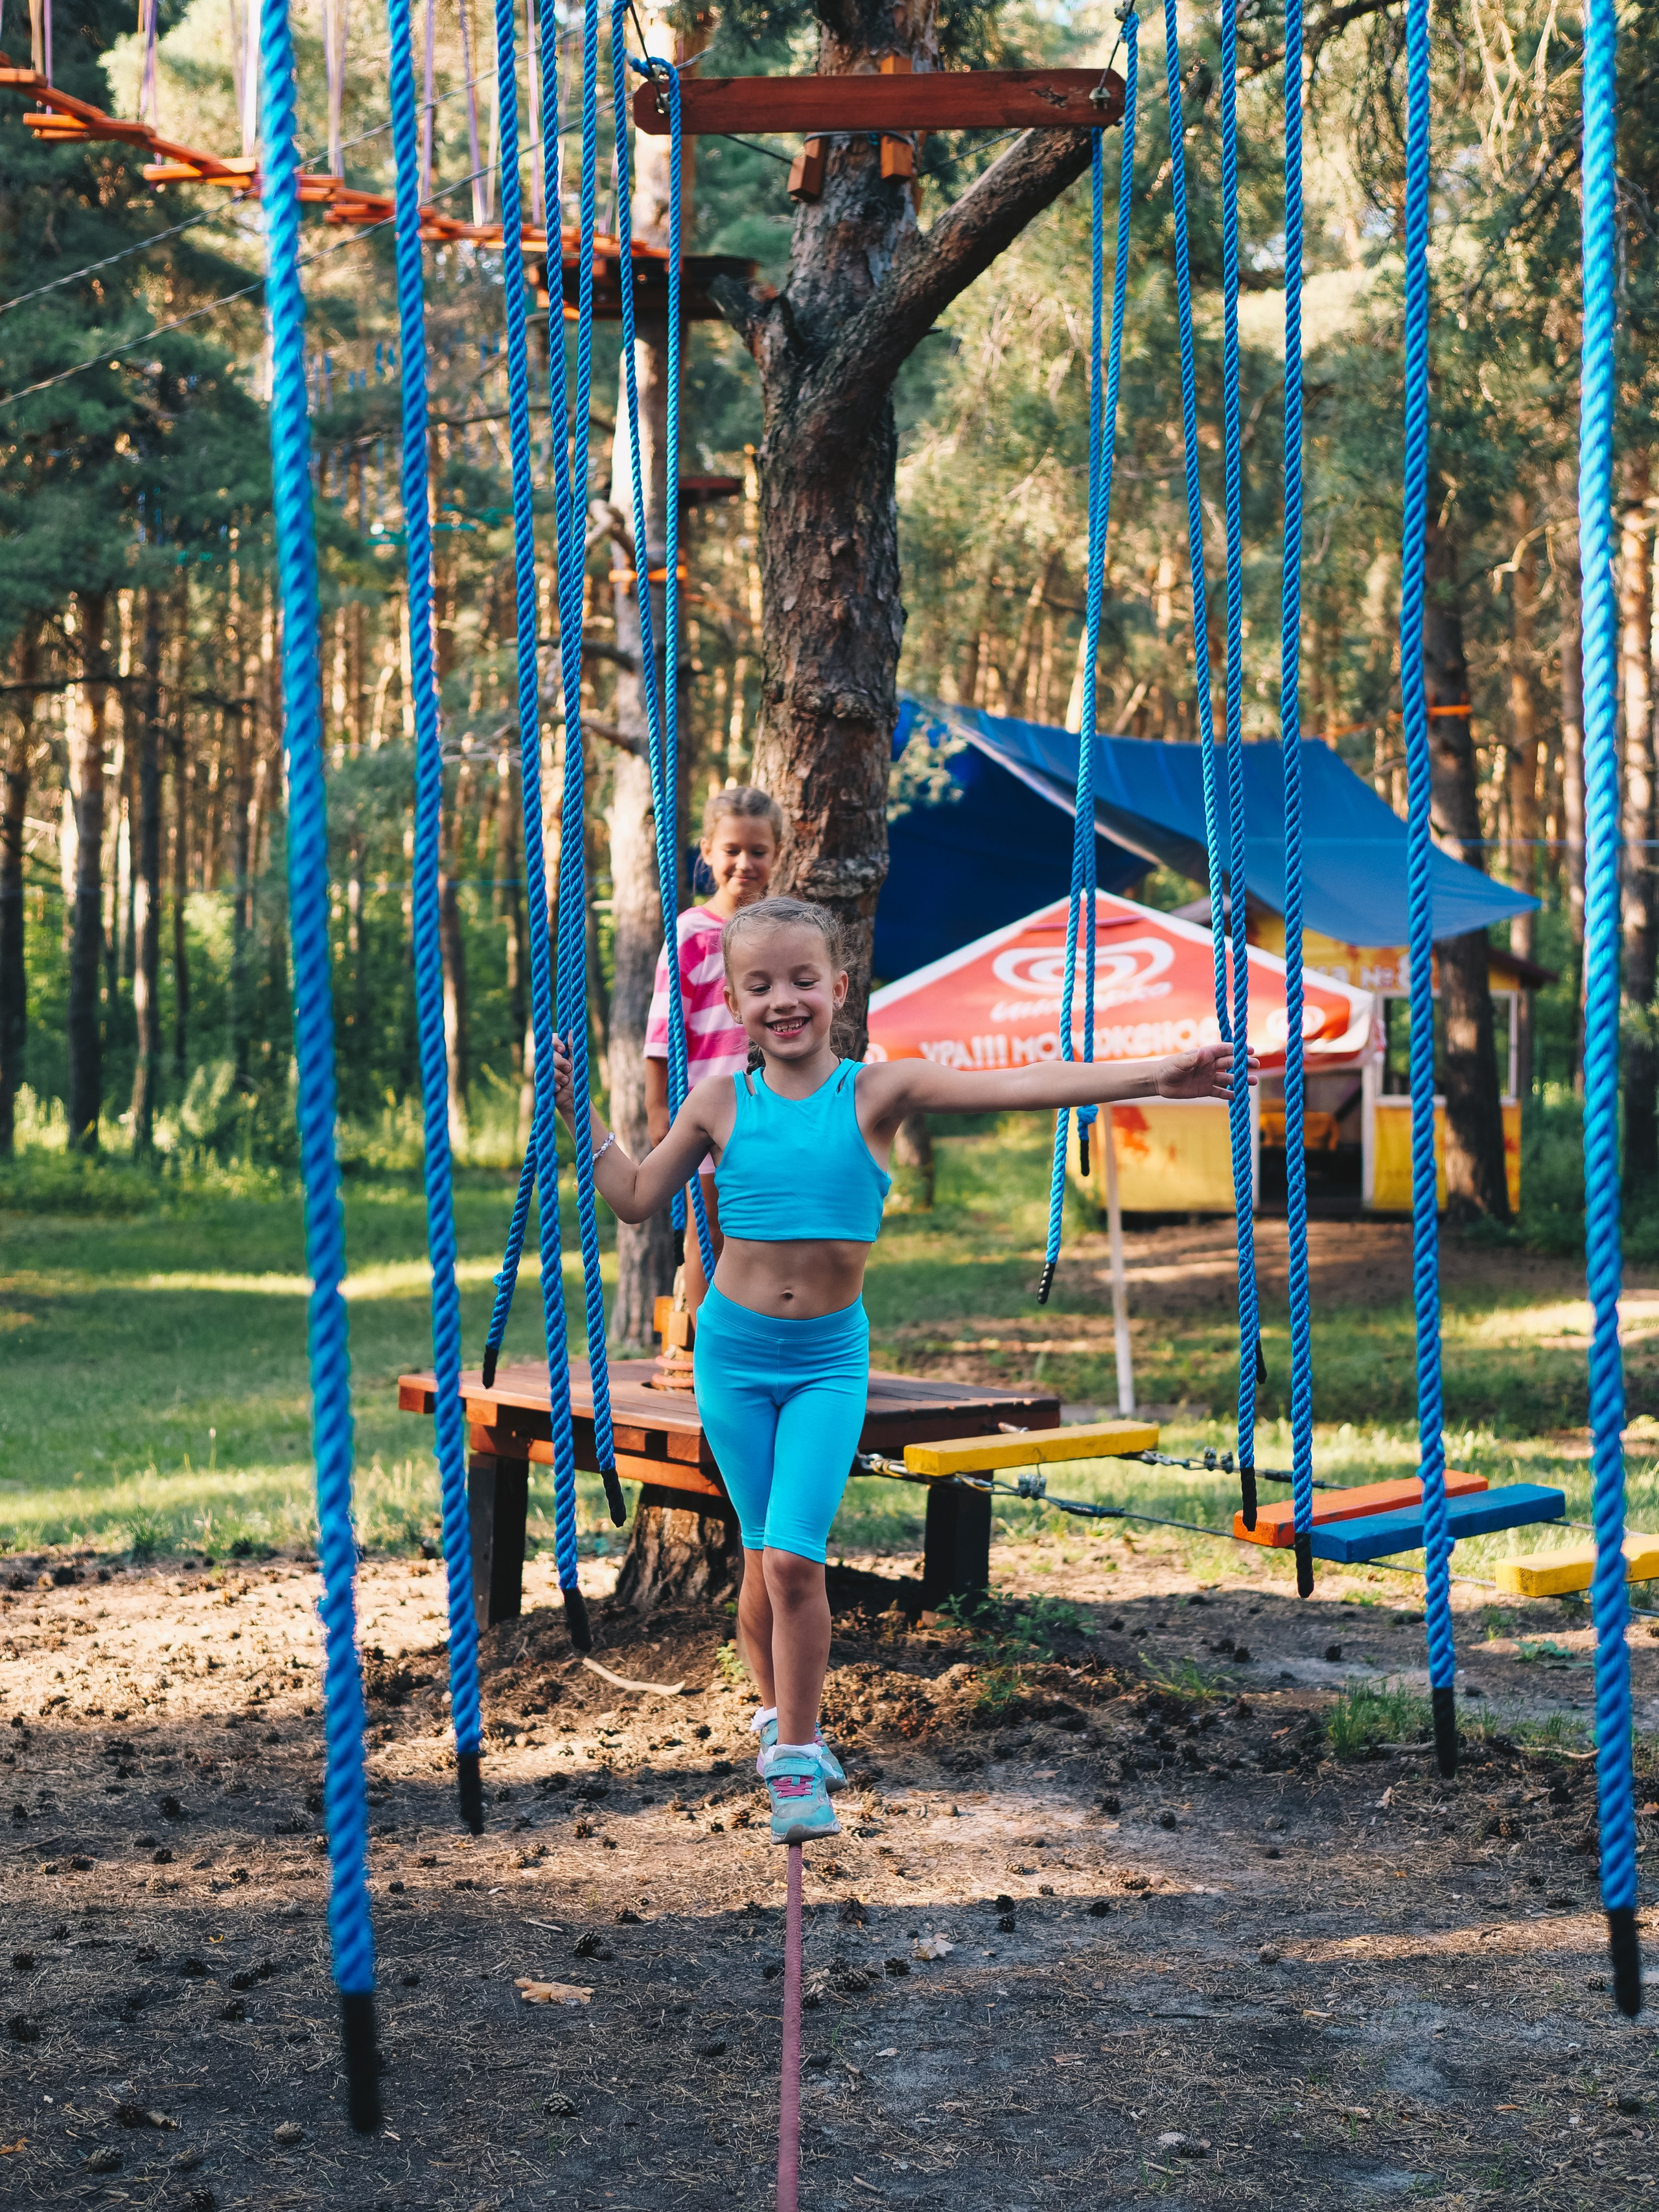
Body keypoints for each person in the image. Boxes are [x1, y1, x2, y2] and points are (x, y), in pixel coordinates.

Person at [552, 894, 1255, 1845]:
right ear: (735, 997)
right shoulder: (718, 1100)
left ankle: (798, 1759)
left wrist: (1160, 1074)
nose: (784, 1000)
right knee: (763, 1553)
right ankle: (774, 1719)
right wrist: (583, 1120)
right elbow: (636, 1198)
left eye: (804, 979)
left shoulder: (875, 1092)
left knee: (796, 1559)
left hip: (826, 1362)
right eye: (760, 985)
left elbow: (1029, 1084)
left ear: (839, 989)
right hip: (731, 1353)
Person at [644, 786, 782, 1310]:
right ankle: (711, 1355)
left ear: (777, 854)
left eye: (758, 851)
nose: (744, 863)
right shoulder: (692, 933)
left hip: (772, 1108)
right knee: (710, 1234)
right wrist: (659, 1111)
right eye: (731, 850)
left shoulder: (781, 933)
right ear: (707, 852)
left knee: (767, 1237)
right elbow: (662, 1029)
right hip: (710, 1110)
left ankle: (758, 1342)